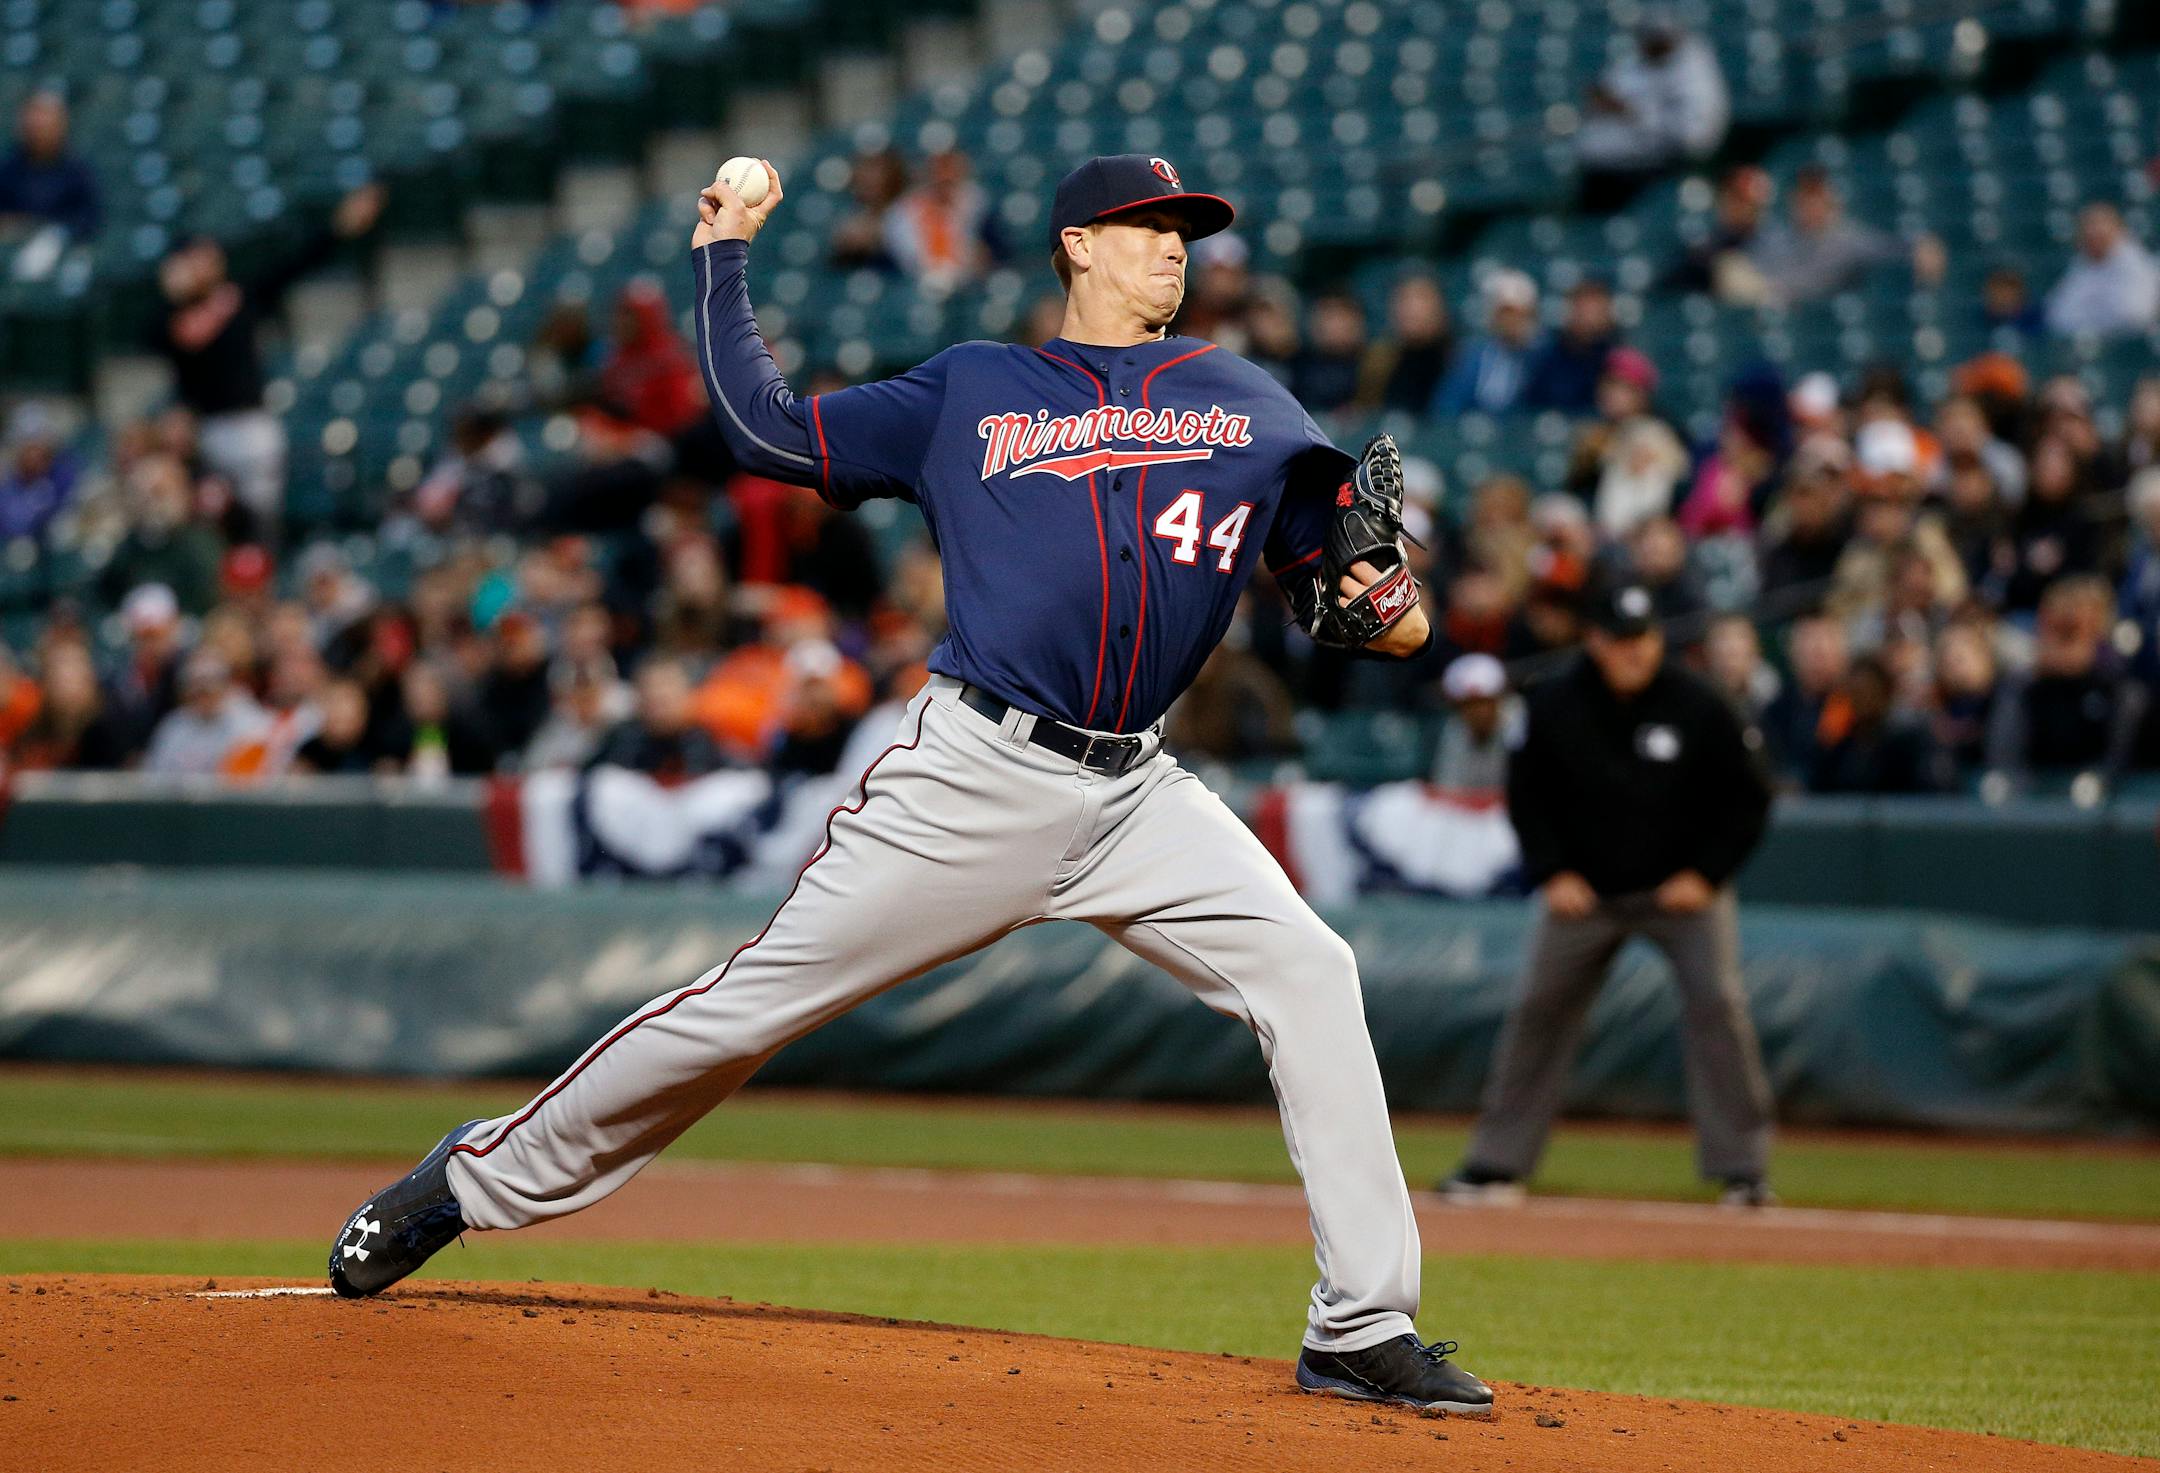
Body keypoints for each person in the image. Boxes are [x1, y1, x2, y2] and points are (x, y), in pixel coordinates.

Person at [325, 151, 1490, 1417]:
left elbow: (1362, 602)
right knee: (746, 1010)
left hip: (1141, 791)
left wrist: (1384, 605)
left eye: (1186, 230)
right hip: (977, 776)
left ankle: (1361, 1324)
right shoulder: (975, 389)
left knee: (1311, 973)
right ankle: (470, 1181)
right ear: (1076, 246)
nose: (1174, 247)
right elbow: (766, 430)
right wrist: (723, 258)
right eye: (1145, 225)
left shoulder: (1250, 403)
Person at [1444, 583, 1776, 1206]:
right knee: (1538, 1011)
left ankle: (1744, 1169)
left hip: (1682, 892)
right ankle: (1496, 1162)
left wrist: (1707, 873)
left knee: (1718, 1005)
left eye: (1644, 638)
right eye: (1621, 641)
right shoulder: (1555, 703)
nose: (1635, 652)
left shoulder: (1698, 703)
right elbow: (1528, 798)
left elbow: (1748, 799)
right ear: (1595, 640)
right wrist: (1552, 872)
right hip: (1586, 893)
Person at [152, 183, 387, 537]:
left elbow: (293, 264)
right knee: (213, 523)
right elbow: (158, 342)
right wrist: (174, 298)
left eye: (208, 256)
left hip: (250, 426)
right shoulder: (172, 315)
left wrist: (338, 227)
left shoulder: (241, 297)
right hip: (207, 432)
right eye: (195, 259)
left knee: (260, 526)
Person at [1574, 13, 1729, 212]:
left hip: (1660, 174)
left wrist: (1631, 112)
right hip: (1604, 172)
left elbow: (1694, 137)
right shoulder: (1632, 63)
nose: (1651, 42)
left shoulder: (1694, 71)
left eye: (1659, 37)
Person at [1749, 166, 1945, 306]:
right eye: (1803, 197)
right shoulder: (1777, 238)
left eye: (1815, 196)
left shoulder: (1849, 238)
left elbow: (1891, 247)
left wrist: (1920, 246)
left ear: (1830, 200)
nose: (1808, 205)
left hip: (1827, 320)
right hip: (1785, 316)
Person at [2045, 203, 2160, 339]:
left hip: (2132, 349)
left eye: (2100, 229)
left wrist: (2089, 314)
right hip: (2088, 346)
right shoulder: (2081, 265)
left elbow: (2134, 314)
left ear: (2119, 230)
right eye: (2088, 229)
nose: (2093, 233)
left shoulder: (2138, 265)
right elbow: (2058, 317)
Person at [1433, 270, 1539, 416]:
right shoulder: (1473, 356)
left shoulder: (1542, 357)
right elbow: (1449, 403)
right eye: (1505, 313)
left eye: (1517, 313)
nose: (1511, 320)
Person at [0, 91, 100, 244]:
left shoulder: (78, 174)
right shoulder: (7, 170)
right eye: (33, 121)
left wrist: (53, 232)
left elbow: (88, 222)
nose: (38, 127)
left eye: (45, 120)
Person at [1522, 278, 1621, 416]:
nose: (1587, 318)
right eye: (1582, 310)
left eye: (1595, 311)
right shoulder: (1547, 360)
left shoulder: (1619, 361)